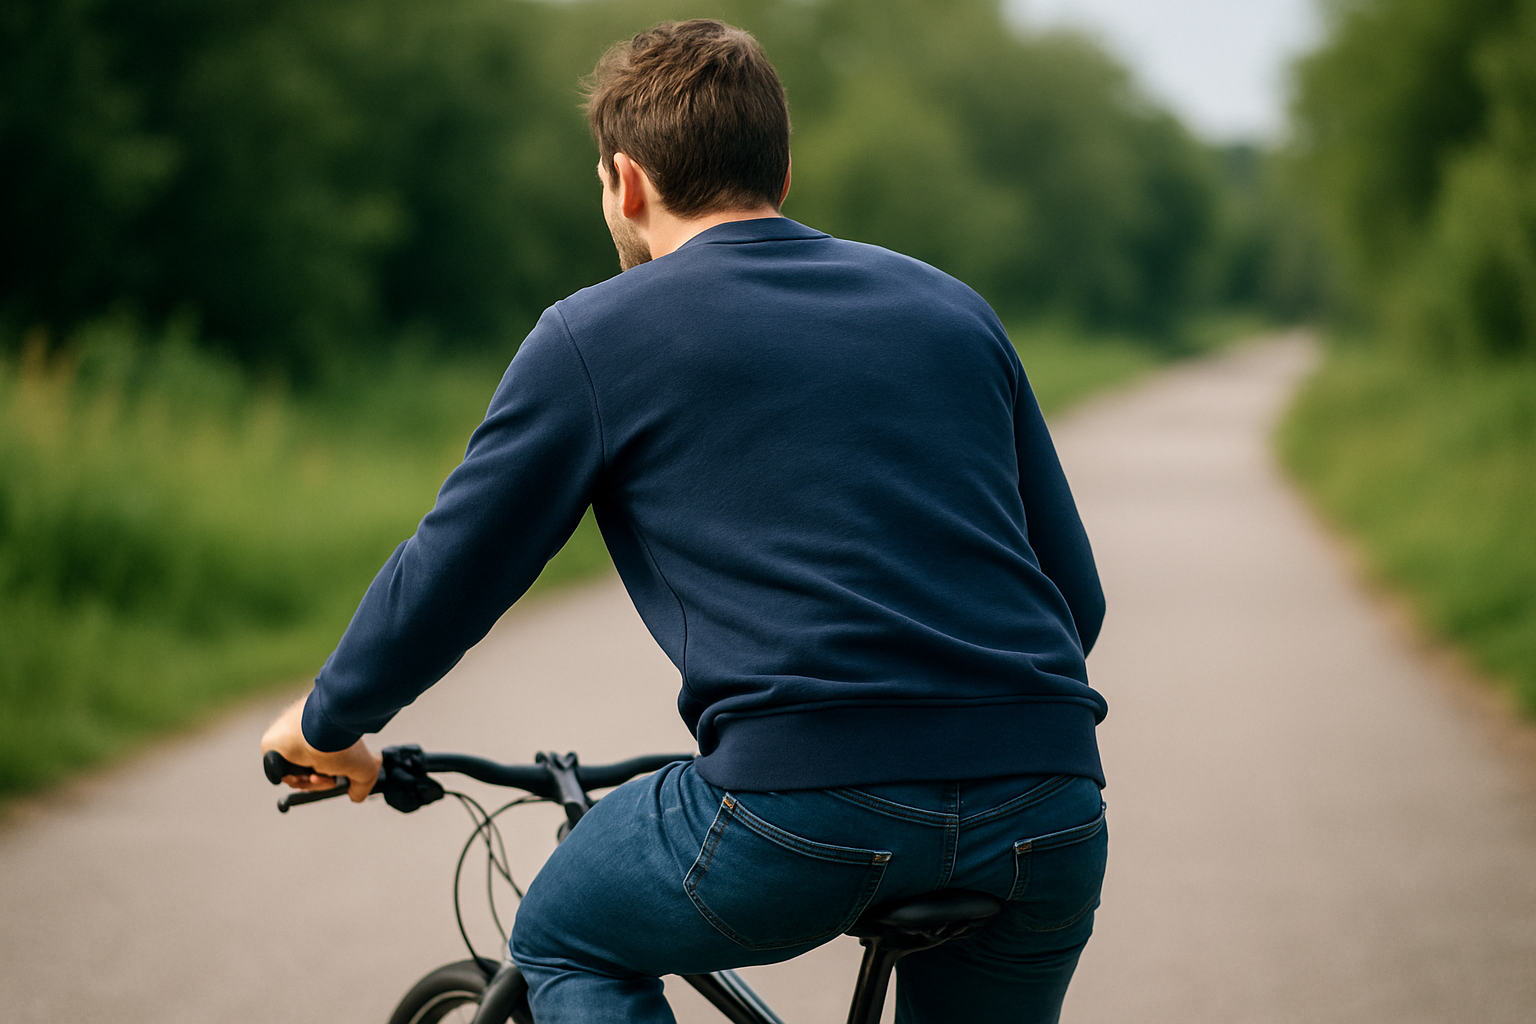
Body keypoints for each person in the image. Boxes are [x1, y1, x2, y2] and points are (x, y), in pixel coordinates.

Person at [262, 18, 1108, 1024]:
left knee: (566, 931)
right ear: (782, 171)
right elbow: (1075, 599)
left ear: (625, 182)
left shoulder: (594, 335)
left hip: (802, 812)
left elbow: (455, 565)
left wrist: (328, 722)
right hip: (1048, 806)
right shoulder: (954, 310)